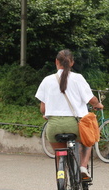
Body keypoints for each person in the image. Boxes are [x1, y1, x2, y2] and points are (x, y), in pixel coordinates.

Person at [35, 49, 104, 179]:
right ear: (72, 63)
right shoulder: (78, 78)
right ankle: (83, 167)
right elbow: (91, 99)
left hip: (53, 127)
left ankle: (61, 175)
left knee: (59, 153)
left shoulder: (47, 80)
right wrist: (98, 104)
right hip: (75, 125)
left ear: (56, 62)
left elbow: (43, 109)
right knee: (89, 141)